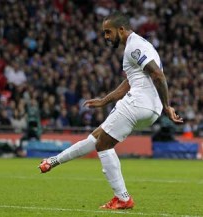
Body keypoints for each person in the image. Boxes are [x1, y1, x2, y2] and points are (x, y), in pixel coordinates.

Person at [38, 11, 183, 210]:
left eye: (108, 32)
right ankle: (53, 161)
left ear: (121, 30)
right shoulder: (138, 46)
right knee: (97, 137)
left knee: (103, 145)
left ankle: (122, 198)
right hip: (149, 108)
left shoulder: (134, 46)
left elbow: (157, 75)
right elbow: (130, 82)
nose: (106, 37)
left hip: (139, 102)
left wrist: (168, 105)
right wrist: (105, 101)